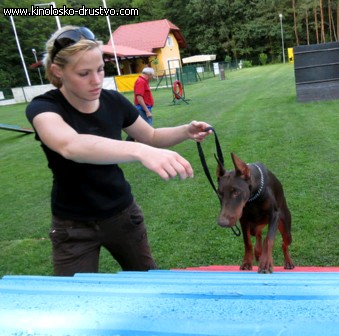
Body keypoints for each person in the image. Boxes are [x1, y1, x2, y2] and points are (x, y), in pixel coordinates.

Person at [25, 26, 213, 276]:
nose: (96, 80)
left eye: (100, 69)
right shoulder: (44, 107)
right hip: (72, 225)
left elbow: (151, 136)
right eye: (84, 73)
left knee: (147, 281)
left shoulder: (113, 101)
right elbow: (70, 146)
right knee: (72, 299)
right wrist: (139, 152)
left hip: (122, 215)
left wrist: (185, 131)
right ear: (59, 71)